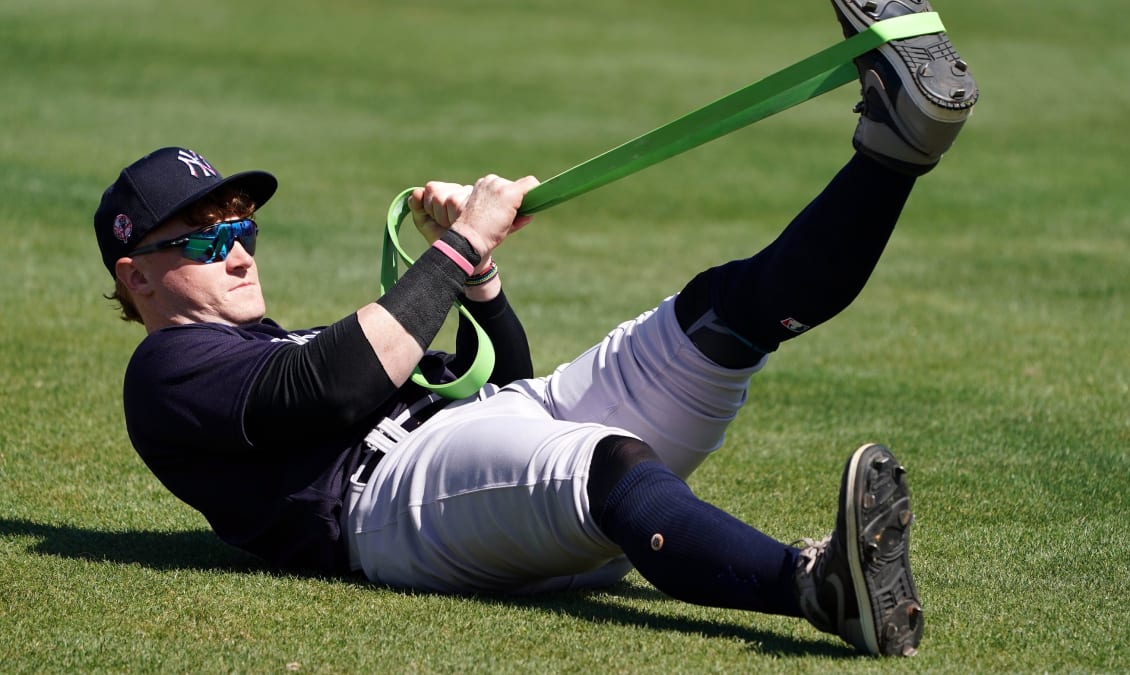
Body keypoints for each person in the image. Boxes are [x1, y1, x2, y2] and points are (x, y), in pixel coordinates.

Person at [93, 0, 977, 658]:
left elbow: (504, 386)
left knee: (722, 312)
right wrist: (461, 237)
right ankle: (816, 587)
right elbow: (339, 385)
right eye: (207, 238)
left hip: (467, 468)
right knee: (609, 460)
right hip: (390, 508)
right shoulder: (165, 373)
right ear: (136, 277)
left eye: (242, 229)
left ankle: (897, 146)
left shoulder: (261, 341)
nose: (239, 252)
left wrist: (478, 280)